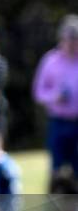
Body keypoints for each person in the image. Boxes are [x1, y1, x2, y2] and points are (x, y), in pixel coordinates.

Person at [32, 14, 78, 184]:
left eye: (76, 39)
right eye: (70, 39)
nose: (73, 44)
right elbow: (38, 92)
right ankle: (56, 209)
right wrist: (54, 96)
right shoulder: (50, 60)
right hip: (58, 122)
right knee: (57, 170)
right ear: (62, 39)